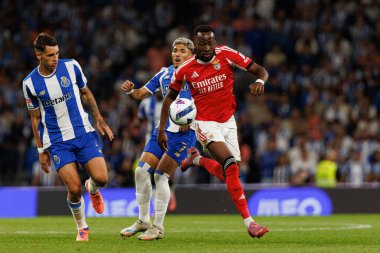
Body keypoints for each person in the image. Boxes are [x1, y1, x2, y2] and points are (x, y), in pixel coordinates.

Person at [157, 25, 269, 238]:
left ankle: (197, 160)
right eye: (202, 43)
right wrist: (162, 129)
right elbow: (169, 98)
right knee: (229, 165)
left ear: (215, 42)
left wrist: (259, 81)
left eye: (211, 42)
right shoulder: (186, 69)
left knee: (232, 172)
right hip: (205, 123)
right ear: (195, 45)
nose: (207, 47)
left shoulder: (226, 54)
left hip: (228, 121)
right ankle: (250, 223)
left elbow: (261, 70)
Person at [22, 33, 114, 242]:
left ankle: (93, 188)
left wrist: (99, 118)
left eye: (57, 54)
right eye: (50, 55)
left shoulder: (71, 66)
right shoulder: (30, 83)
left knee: (101, 178)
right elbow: (35, 119)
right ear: (38, 55)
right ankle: (82, 228)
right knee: (73, 189)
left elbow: (85, 93)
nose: (55, 59)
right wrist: (40, 151)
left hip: (83, 133)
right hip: (57, 141)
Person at [120, 38, 196, 240]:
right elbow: (139, 94)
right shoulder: (164, 73)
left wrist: (194, 118)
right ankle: (143, 220)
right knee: (141, 172)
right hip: (162, 130)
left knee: (160, 176)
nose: (177, 54)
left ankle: (158, 227)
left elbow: (207, 103)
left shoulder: (198, 74)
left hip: (184, 133)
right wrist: (129, 90)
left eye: (182, 51)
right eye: (174, 50)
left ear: (191, 54)